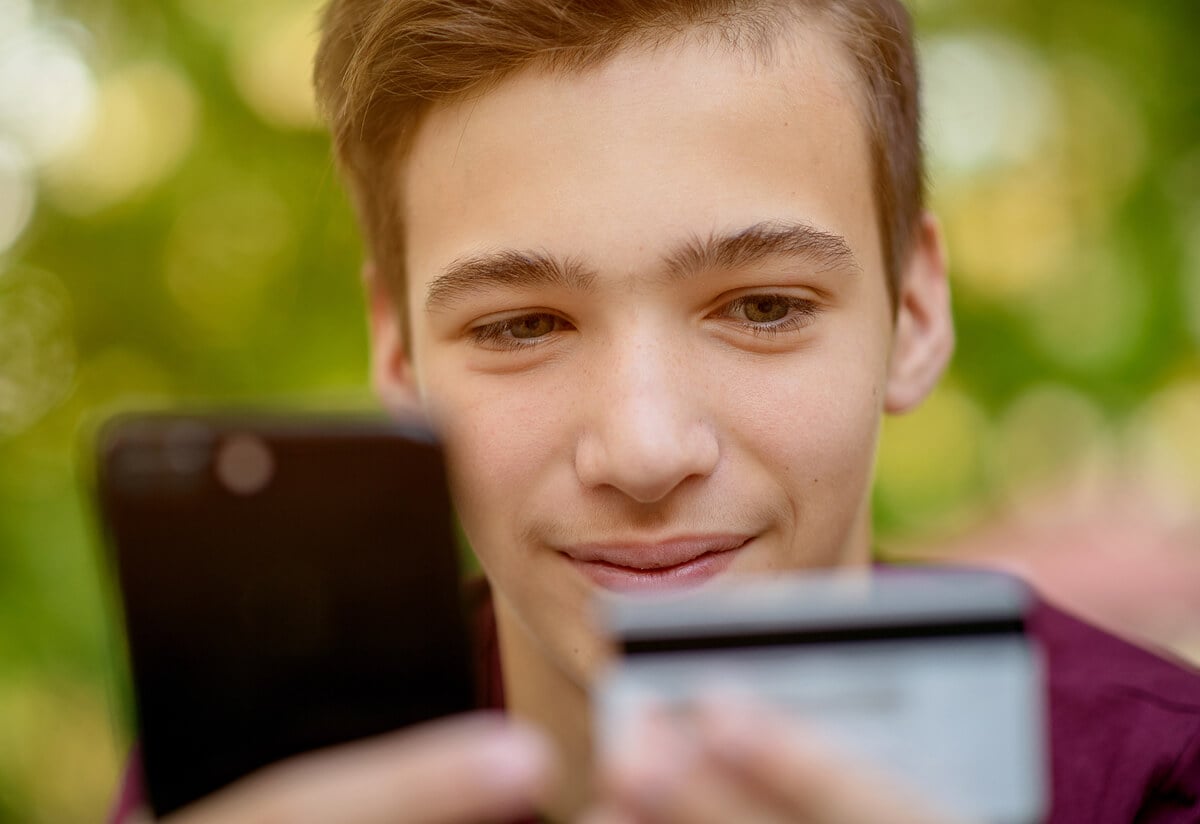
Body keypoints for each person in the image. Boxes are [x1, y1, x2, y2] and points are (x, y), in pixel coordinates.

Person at [110, 1, 1200, 822]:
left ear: (912, 312)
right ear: (398, 352)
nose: (641, 448)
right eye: (519, 326)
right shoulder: (261, 783)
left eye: (764, 306)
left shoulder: (1164, 776)